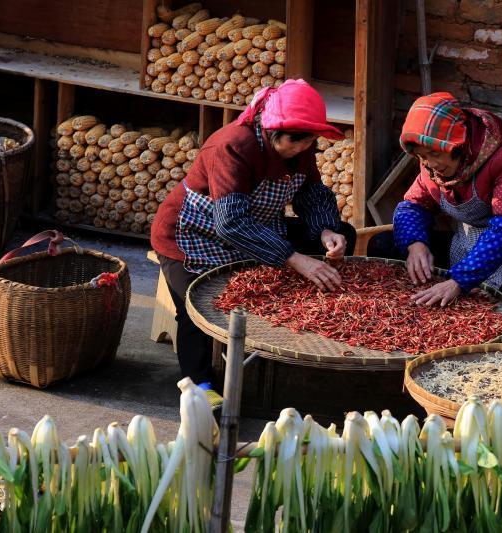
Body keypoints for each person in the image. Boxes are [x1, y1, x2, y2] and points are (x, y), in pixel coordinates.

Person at [151, 79, 356, 407]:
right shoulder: (232, 145)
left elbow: (311, 192)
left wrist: (325, 232)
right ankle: (199, 387)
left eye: (309, 141)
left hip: (258, 227)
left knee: (344, 231)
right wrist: (294, 258)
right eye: (296, 140)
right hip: (193, 235)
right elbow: (230, 223)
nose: (303, 148)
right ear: (273, 130)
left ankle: (312, 322)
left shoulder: (299, 148)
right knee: (197, 306)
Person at [368, 92, 502, 341]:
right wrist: (416, 245)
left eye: (435, 154)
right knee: (384, 244)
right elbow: (412, 205)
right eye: (422, 157)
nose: (429, 163)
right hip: (470, 248)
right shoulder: (430, 167)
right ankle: (405, 328)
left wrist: (459, 280)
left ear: (456, 144)